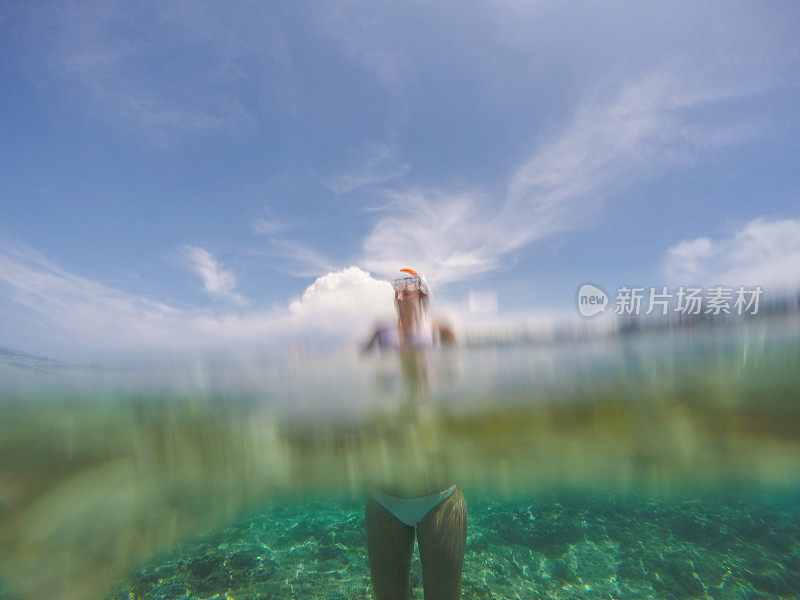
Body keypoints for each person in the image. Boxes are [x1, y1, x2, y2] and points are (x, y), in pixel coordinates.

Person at [362, 269, 466, 600]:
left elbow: (457, 376)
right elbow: (354, 365)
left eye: (406, 287)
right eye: (395, 288)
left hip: (440, 496)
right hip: (383, 497)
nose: (398, 293)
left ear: (422, 293)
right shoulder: (381, 331)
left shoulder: (439, 328)